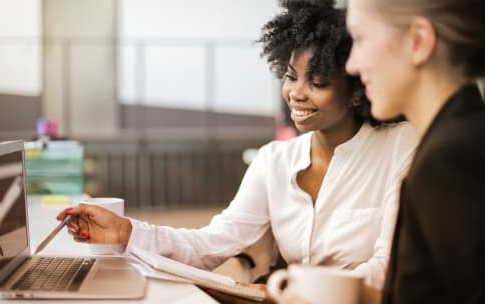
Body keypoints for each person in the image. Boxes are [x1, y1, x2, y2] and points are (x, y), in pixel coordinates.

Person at [57, 0, 417, 302]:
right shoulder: (274, 160)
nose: (296, 93)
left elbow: (387, 268)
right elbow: (210, 245)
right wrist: (124, 233)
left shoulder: (400, 146)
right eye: (291, 77)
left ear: (357, 89)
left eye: (318, 82)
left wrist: (288, 291)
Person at [278, 0, 485, 303]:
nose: (352, 65)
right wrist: (359, 295)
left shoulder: (449, 159)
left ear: (418, 41)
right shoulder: (459, 136)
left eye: (360, 39)